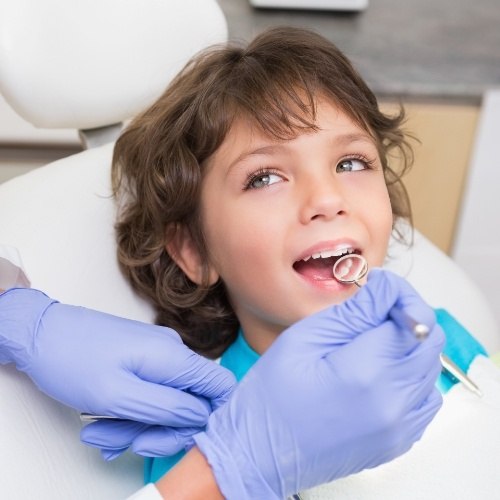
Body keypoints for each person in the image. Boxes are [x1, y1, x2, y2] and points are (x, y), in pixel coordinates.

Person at [0, 26, 458, 499]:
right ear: (195, 252)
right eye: (264, 178)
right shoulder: (207, 442)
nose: (327, 198)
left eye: (351, 163)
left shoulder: (439, 338)